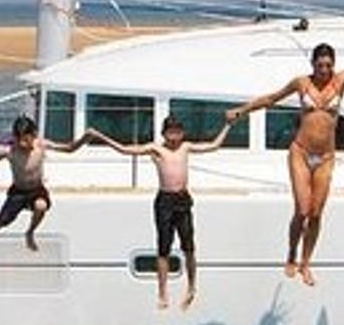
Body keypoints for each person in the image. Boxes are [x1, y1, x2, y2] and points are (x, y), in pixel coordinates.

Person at [228, 19, 344, 285]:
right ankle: (291, 254)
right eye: (320, 65)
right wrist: (242, 110)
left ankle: (306, 262)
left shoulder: (341, 81)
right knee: (302, 210)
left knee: (316, 213)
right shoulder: (302, 83)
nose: (324, 69)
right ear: (313, 64)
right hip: (301, 153)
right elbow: (271, 99)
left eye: (328, 65)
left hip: (326, 157)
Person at [86, 115, 234, 310]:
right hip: (165, 201)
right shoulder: (156, 149)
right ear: (164, 133)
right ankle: (163, 292)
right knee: (163, 248)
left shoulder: (186, 147)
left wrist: (228, 125)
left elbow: (214, 145)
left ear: (182, 133)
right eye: (170, 131)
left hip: (183, 200)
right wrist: (101, 137)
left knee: (189, 248)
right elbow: (125, 149)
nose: (174, 135)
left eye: (177, 131)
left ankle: (191, 287)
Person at [0, 115, 89, 251]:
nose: (23, 144)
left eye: (27, 140)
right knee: (0, 222)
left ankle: (30, 232)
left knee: (41, 206)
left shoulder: (41, 145)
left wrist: (84, 138)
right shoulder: (10, 151)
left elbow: (69, 149)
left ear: (34, 135)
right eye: (19, 140)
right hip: (18, 192)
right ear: (14, 138)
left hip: (36, 190)